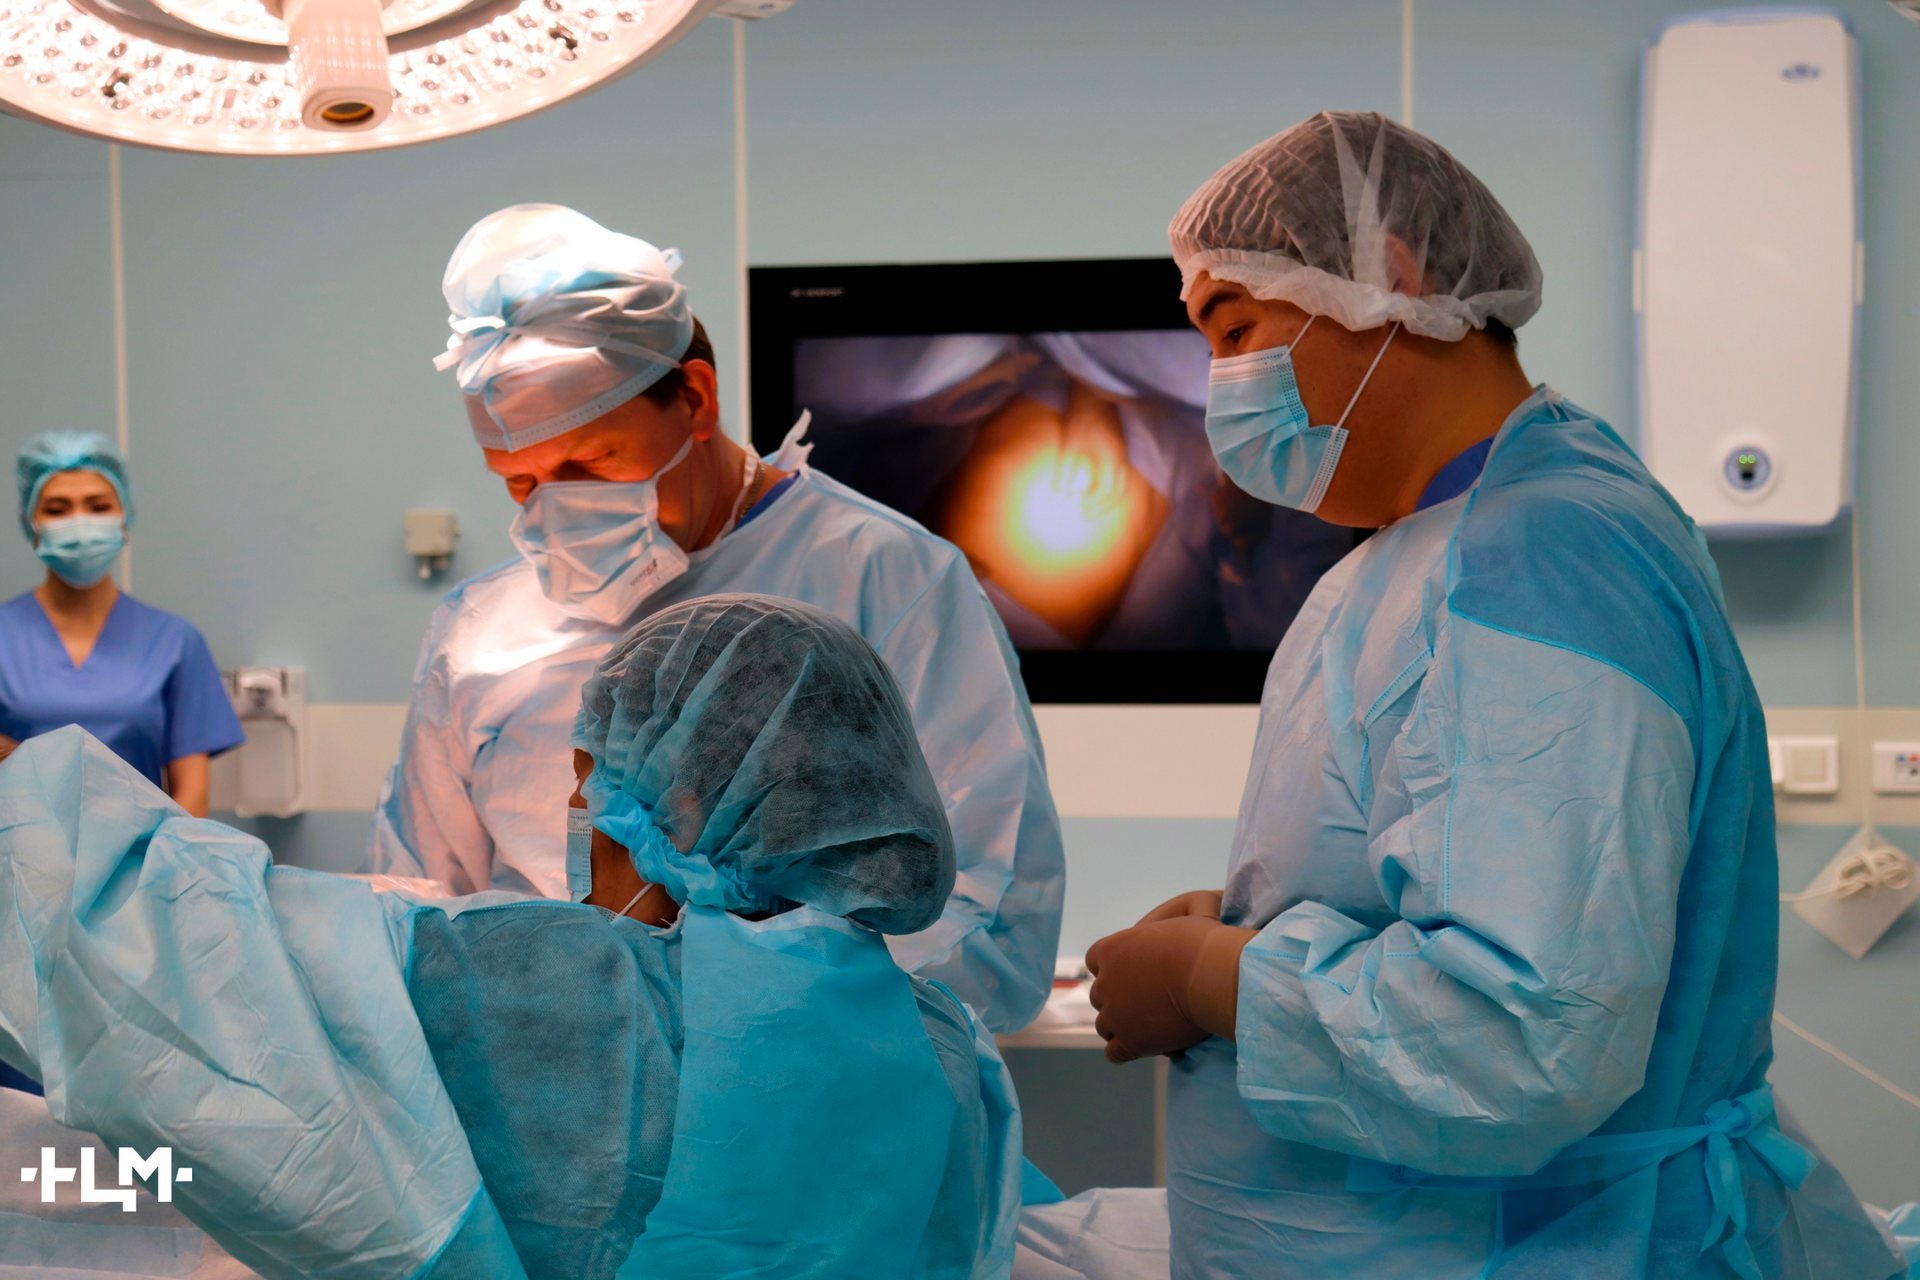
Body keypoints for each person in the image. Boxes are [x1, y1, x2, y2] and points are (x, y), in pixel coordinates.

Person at [1082, 112, 1906, 1278]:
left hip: (1536, 1244)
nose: (1219, 383)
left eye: (1235, 327)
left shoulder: (1543, 555)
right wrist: (1252, 914)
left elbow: (1523, 1032)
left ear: (1391, 276)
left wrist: (1209, 980)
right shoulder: (1428, 551)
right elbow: (1465, 863)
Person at [0, 594, 1028, 1278]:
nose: (579, 815)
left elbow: (147, 945)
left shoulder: (546, 988)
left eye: (591, 781)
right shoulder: (945, 1053)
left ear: (677, 801)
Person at [368, 203, 1064, 1032]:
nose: (556, 509)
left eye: (592, 462)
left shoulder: (882, 577)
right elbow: (423, 907)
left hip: (814, 1069)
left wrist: (755, 1045)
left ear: (696, 398)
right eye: (519, 481)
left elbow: (988, 901)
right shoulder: (480, 629)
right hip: (548, 1063)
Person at [0, 432, 242, 816]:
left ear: (124, 518)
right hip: (17, 850)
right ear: (32, 524)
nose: (80, 523)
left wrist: (162, 854)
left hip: (145, 851)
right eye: (58, 509)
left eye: (98, 507)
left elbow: (192, 797)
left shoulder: (174, 641)